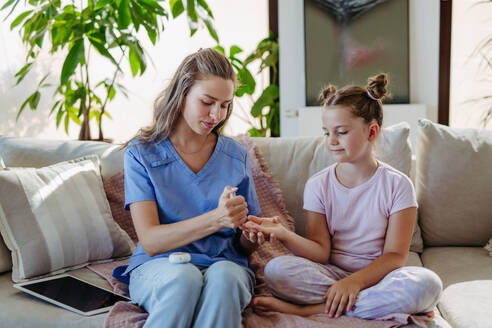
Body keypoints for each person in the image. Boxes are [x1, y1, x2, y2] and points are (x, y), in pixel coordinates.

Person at [242, 74, 443, 320]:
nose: (332, 141)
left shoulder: (398, 185)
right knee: (276, 270)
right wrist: (283, 233)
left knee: (428, 284)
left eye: (342, 132)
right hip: (331, 276)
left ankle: (313, 309)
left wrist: (355, 283)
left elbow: (394, 257)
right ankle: (373, 305)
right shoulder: (318, 185)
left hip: (379, 277)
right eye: (326, 133)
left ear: (372, 132)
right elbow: (320, 252)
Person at [113, 48, 266, 328]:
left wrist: (251, 235)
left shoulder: (236, 155)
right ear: (182, 94)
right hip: (159, 264)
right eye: (207, 102)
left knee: (225, 279)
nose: (216, 114)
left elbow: (242, 247)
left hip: (225, 265)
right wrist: (216, 218)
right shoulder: (141, 153)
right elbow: (151, 241)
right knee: (184, 278)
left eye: (225, 105)